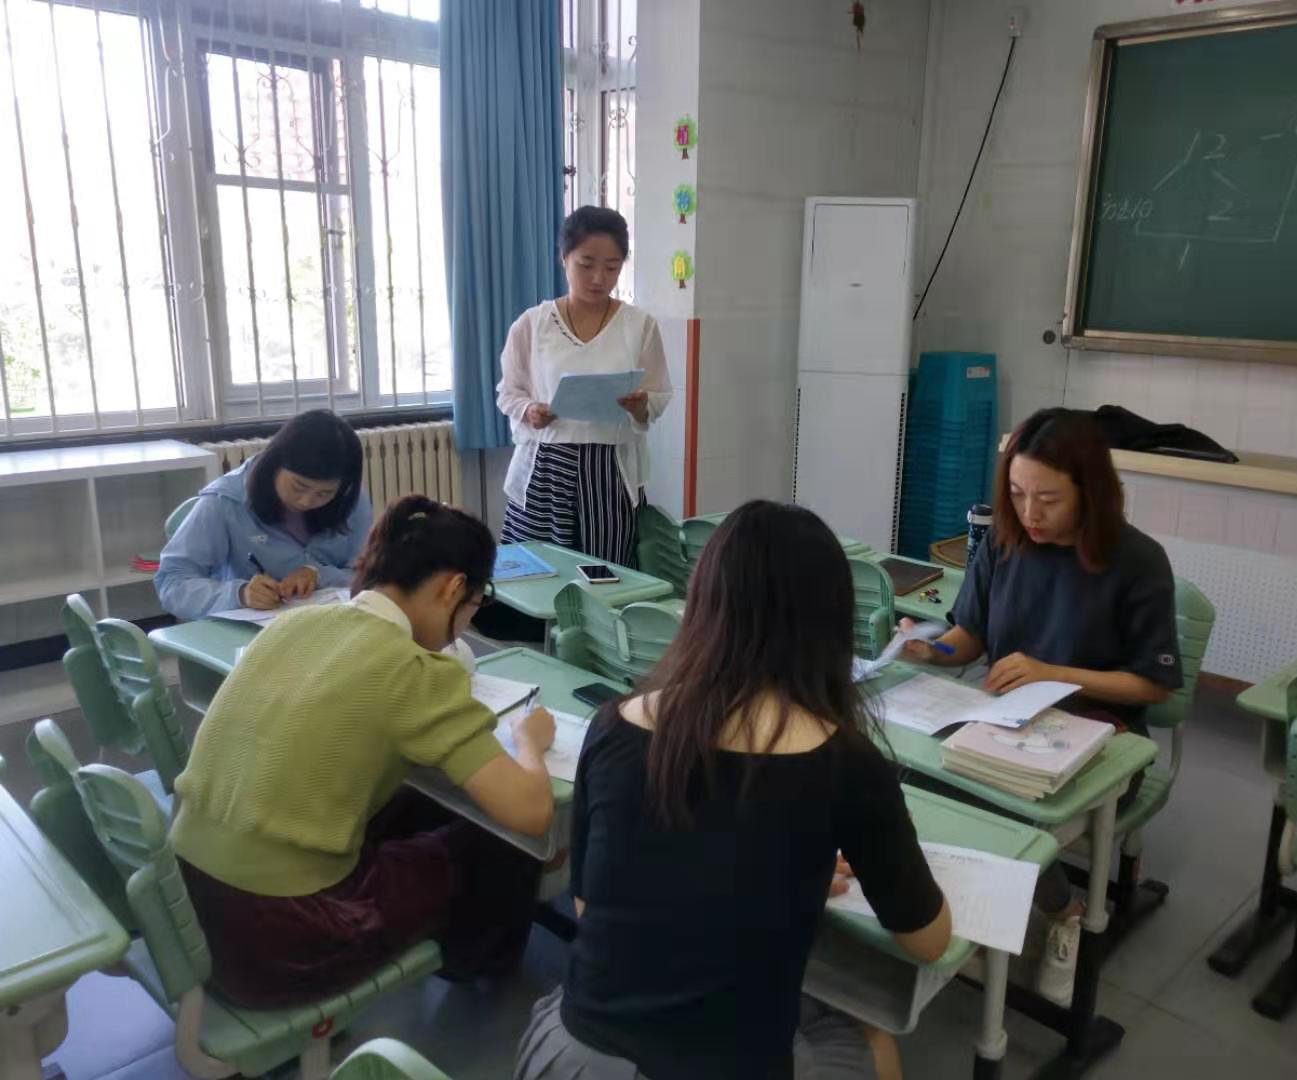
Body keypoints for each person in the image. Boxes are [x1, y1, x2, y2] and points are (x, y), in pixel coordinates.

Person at [515, 500, 953, 1080]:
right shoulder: (848, 764)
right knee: (872, 1036)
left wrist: (773, 869)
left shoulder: (614, 723)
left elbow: (588, 905)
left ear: (701, 603)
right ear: (829, 623)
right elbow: (928, 942)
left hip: (572, 1056)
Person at [169, 495, 557, 1007]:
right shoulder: (414, 671)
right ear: (454, 588)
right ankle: (476, 969)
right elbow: (530, 812)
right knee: (499, 840)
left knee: (420, 801)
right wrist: (528, 741)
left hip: (186, 909)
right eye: (473, 606)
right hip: (274, 945)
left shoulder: (293, 624)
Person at [902, 406, 1183, 1008]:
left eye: (1048, 499)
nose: (1030, 513)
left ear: (1090, 492)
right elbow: (969, 636)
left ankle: (1064, 913)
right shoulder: (1006, 543)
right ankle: (974, 905)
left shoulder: (1137, 561)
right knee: (915, 780)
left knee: (1005, 805)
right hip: (1004, 722)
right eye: (1017, 493)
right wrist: (932, 649)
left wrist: (1055, 673)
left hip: (1104, 738)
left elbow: (1154, 686)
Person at [495, 206, 673, 569]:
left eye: (611, 267)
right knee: (538, 570)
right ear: (564, 258)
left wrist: (641, 405)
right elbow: (508, 393)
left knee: (606, 573)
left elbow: (658, 394)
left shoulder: (639, 325)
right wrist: (529, 411)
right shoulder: (532, 324)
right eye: (586, 264)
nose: (598, 278)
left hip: (609, 470)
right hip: (547, 468)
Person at [155, 409, 372, 621]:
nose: (306, 501)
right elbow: (172, 582)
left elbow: (372, 574)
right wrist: (240, 594)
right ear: (274, 465)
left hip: (331, 623)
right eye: (298, 487)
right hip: (251, 632)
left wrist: (318, 575)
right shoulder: (225, 501)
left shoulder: (348, 499)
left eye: (324, 493)